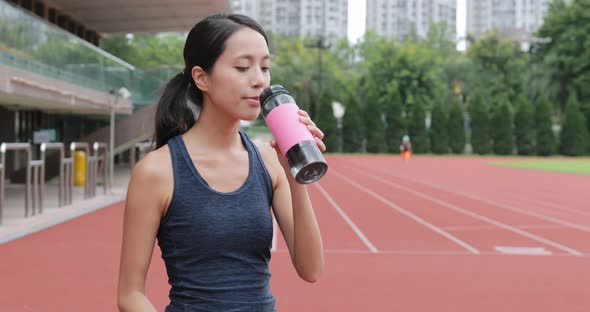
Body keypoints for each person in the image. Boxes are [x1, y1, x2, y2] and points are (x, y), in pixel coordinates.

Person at [117, 14, 325, 312]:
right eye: (243, 67)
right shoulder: (157, 171)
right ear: (201, 77)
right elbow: (130, 295)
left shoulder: (269, 160)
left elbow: (311, 269)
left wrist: (295, 171)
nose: (259, 80)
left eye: (265, 67)